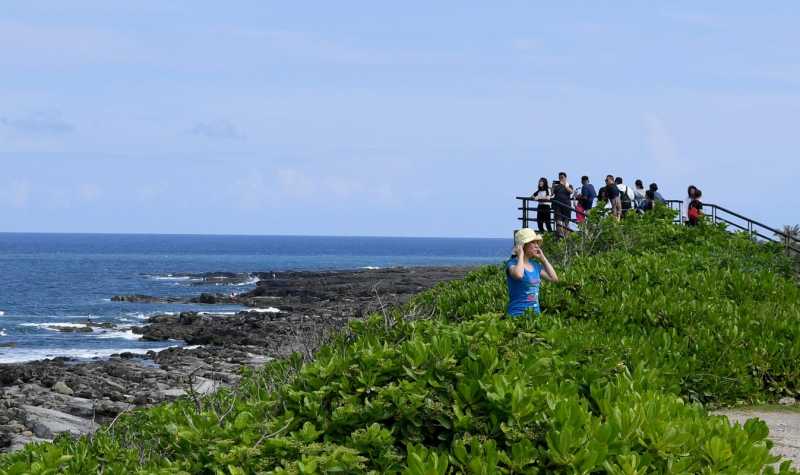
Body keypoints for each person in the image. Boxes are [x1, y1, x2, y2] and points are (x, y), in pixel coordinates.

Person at [507, 228, 558, 317]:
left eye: (537, 243)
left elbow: (554, 279)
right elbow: (518, 275)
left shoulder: (535, 265)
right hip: (517, 315)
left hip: (535, 316)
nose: (537, 246)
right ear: (523, 246)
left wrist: (543, 259)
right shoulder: (512, 264)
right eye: (533, 242)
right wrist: (521, 255)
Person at [551, 172, 574, 238]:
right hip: (557, 205)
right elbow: (552, 194)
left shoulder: (569, 185)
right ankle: (560, 235)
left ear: (565, 178)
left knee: (566, 222)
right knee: (558, 221)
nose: (561, 178)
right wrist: (553, 186)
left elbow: (571, 192)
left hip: (566, 205)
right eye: (560, 177)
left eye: (562, 177)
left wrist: (565, 185)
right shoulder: (557, 186)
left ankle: (566, 236)